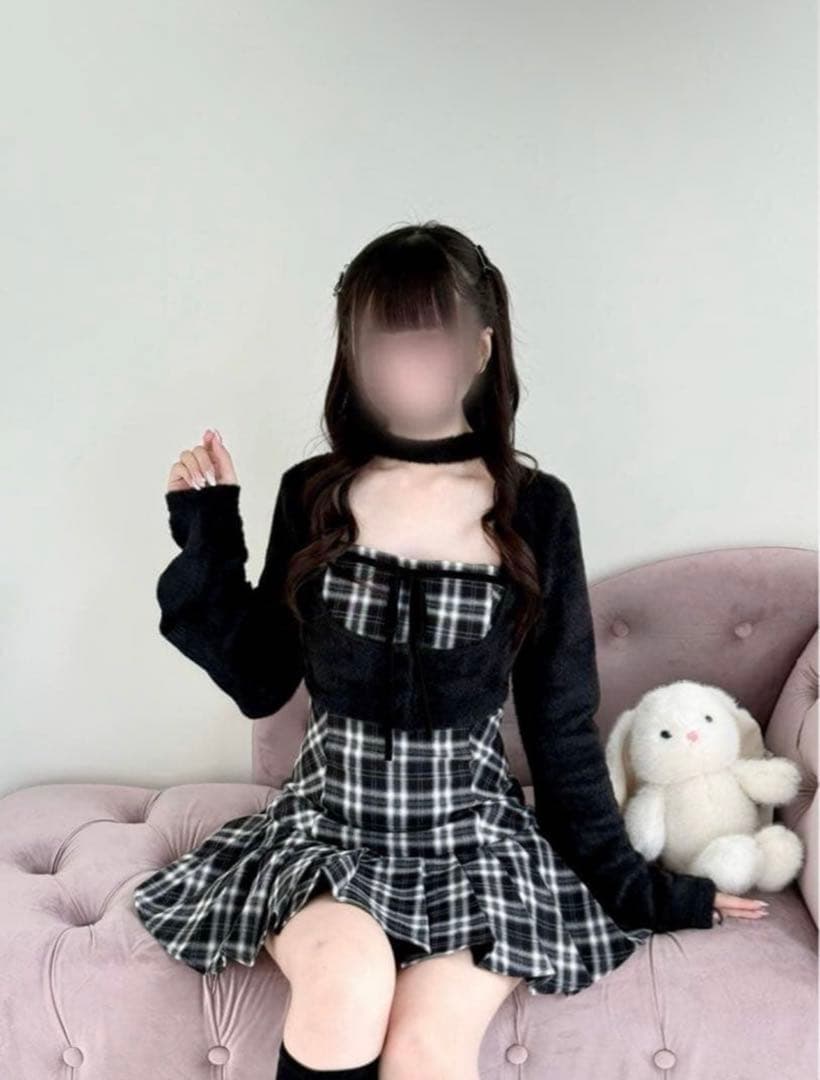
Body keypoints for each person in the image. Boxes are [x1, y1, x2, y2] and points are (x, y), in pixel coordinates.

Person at [133, 222, 768, 1080]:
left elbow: (560, 729)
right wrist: (208, 530)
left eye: (427, 342)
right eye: (381, 345)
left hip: (475, 849)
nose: (404, 370)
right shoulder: (314, 495)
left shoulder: (534, 509)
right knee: (346, 987)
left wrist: (644, 891)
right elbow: (260, 680)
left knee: (428, 1048)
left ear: (479, 348)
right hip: (327, 834)